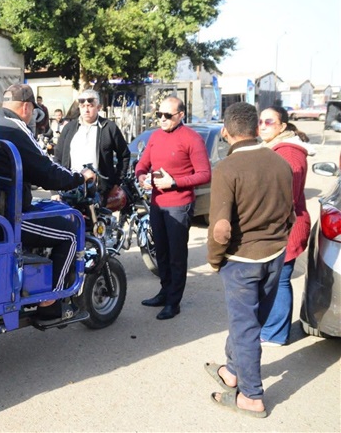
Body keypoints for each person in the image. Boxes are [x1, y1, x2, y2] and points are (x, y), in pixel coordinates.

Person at [206, 101, 294, 418]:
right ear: (257, 128)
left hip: (242, 260)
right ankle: (233, 371)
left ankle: (252, 396)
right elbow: (290, 213)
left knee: (245, 329)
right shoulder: (280, 163)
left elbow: (220, 229)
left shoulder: (226, 169)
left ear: (225, 132)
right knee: (250, 322)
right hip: (275, 255)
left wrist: (215, 260)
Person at [0, 84, 95, 321]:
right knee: (71, 232)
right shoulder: (16, 129)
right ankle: (51, 303)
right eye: (33, 111)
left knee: (51, 213)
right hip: (12, 216)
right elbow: (47, 171)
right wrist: (79, 177)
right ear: (27, 107)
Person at [135, 96, 211, 320]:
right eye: (159, 114)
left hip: (180, 204)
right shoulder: (155, 136)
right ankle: (164, 291)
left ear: (180, 115)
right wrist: (141, 176)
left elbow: (204, 174)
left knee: (176, 255)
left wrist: (175, 183)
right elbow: (142, 164)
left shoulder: (192, 138)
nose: (162, 119)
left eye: (167, 115)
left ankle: (173, 302)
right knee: (161, 251)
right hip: (157, 203)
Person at [258, 106, 314, 347]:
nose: (262, 126)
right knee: (274, 280)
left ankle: (275, 333)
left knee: (279, 280)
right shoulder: (276, 148)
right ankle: (272, 328)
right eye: (260, 121)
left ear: (282, 126)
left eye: (269, 122)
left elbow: (286, 198)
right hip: (281, 226)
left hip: (287, 227)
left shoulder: (289, 152)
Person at [54, 89, 130, 205]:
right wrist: (55, 190)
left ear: (98, 107)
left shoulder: (108, 127)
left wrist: (116, 182)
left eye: (90, 106)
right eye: (83, 106)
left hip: (98, 192)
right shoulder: (69, 128)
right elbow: (57, 158)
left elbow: (124, 155)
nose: (86, 110)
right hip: (71, 190)